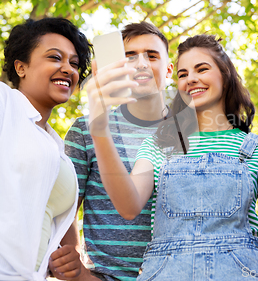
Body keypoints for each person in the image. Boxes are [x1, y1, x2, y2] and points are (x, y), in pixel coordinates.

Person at [86, 34, 258, 280]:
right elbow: (128, 205)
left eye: (201, 69)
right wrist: (99, 129)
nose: (190, 79)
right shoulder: (159, 144)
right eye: (182, 74)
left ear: (225, 76)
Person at [0, 17, 93, 281]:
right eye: (55, 57)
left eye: (74, 64)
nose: (68, 69)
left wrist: (67, 258)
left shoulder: (55, 145)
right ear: (21, 67)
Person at [63, 22, 174, 281]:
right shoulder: (85, 129)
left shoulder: (193, 135)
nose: (141, 63)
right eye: (129, 56)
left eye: (152, 55)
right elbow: (64, 209)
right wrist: (79, 271)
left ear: (168, 70)